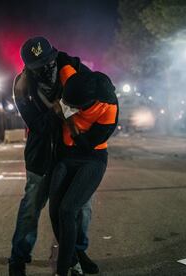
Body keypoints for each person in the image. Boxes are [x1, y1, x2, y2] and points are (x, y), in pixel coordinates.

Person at [9, 37, 98, 275]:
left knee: (82, 208)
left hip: (73, 154)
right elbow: (37, 126)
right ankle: (18, 259)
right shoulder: (21, 86)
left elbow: (95, 92)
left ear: (54, 56)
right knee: (31, 208)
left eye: (49, 63)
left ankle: (77, 253)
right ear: (29, 68)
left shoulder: (73, 68)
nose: (47, 69)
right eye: (40, 67)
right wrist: (62, 109)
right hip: (41, 157)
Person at [49, 71, 119, 276]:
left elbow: (89, 145)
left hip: (92, 158)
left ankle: (63, 270)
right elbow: (63, 61)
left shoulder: (108, 108)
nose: (68, 106)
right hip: (65, 156)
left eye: (73, 105)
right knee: (54, 212)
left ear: (88, 103)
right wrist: (56, 111)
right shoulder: (73, 84)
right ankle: (74, 258)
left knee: (68, 210)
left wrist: (69, 120)